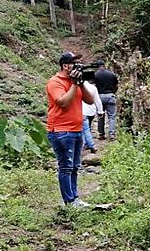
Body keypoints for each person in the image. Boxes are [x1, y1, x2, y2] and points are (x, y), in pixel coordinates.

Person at [46, 51, 95, 207]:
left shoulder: (76, 82)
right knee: (66, 167)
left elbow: (90, 100)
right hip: (61, 130)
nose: (77, 66)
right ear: (65, 65)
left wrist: (79, 83)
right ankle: (69, 201)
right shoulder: (55, 82)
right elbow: (63, 102)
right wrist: (74, 84)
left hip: (76, 129)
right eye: (74, 63)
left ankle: (75, 198)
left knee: (74, 167)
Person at [94, 61, 118, 140]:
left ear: (97, 66)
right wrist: (113, 92)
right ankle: (112, 134)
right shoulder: (111, 74)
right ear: (104, 65)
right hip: (110, 95)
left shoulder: (95, 75)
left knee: (101, 115)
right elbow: (116, 85)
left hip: (99, 97)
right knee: (112, 116)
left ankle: (101, 134)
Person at [81, 77, 103, 154]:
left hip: (81, 111)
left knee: (84, 129)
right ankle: (87, 144)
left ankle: (90, 144)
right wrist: (100, 111)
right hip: (90, 111)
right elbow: (97, 100)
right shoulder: (93, 87)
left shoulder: (76, 86)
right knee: (87, 127)